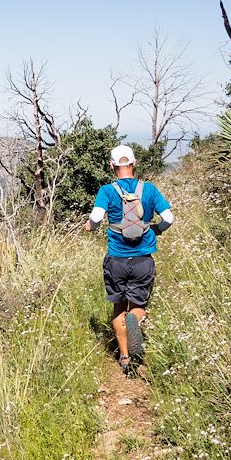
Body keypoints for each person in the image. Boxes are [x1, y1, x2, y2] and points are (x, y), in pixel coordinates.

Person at [84, 144, 174, 375]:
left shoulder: (107, 190)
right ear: (134, 163)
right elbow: (169, 218)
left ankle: (124, 357)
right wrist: (157, 229)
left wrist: (90, 226)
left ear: (112, 166)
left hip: (116, 259)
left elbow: (96, 217)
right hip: (143, 259)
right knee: (138, 305)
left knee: (118, 306)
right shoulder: (149, 189)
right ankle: (134, 318)